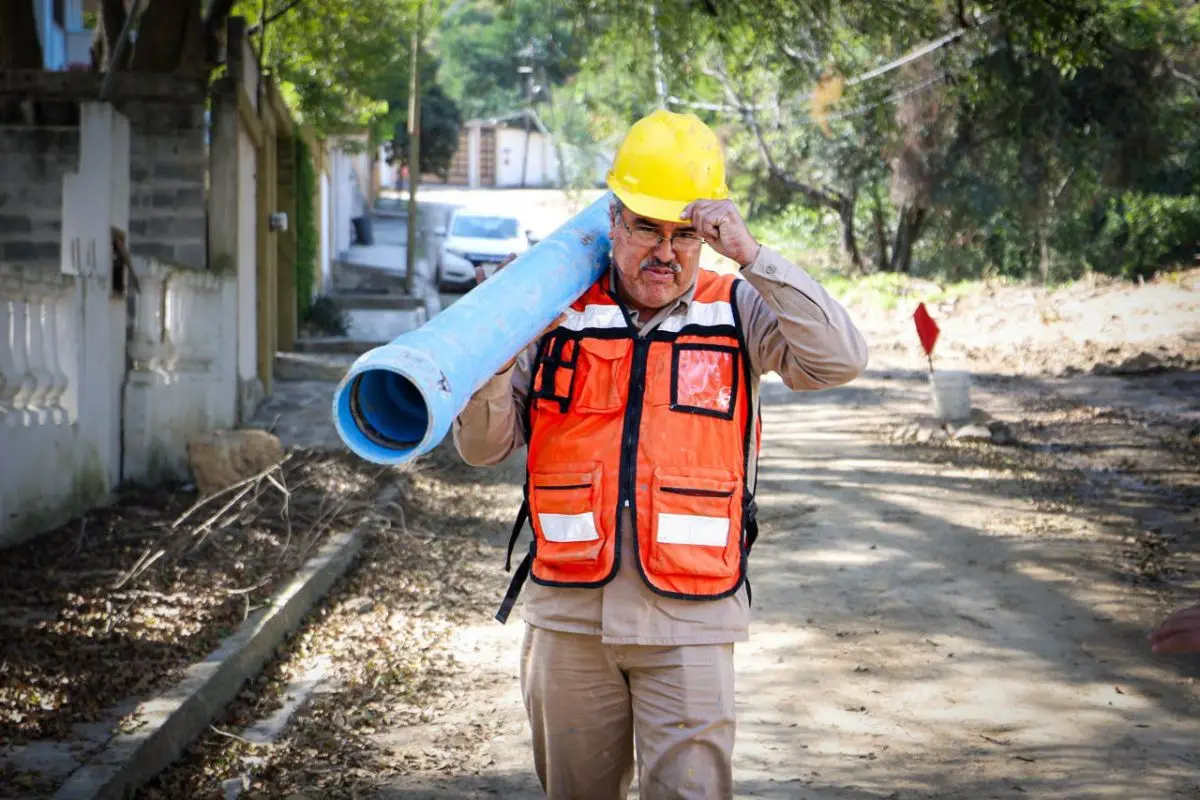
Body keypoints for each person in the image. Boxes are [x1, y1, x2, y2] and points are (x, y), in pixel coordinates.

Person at [452, 109, 868, 799]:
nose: (664, 252)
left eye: (685, 234)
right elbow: (481, 448)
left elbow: (841, 359)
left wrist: (753, 256)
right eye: (647, 227)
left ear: (709, 235)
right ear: (614, 221)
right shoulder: (552, 312)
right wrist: (491, 362)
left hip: (691, 621)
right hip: (568, 618)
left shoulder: (737, 307)